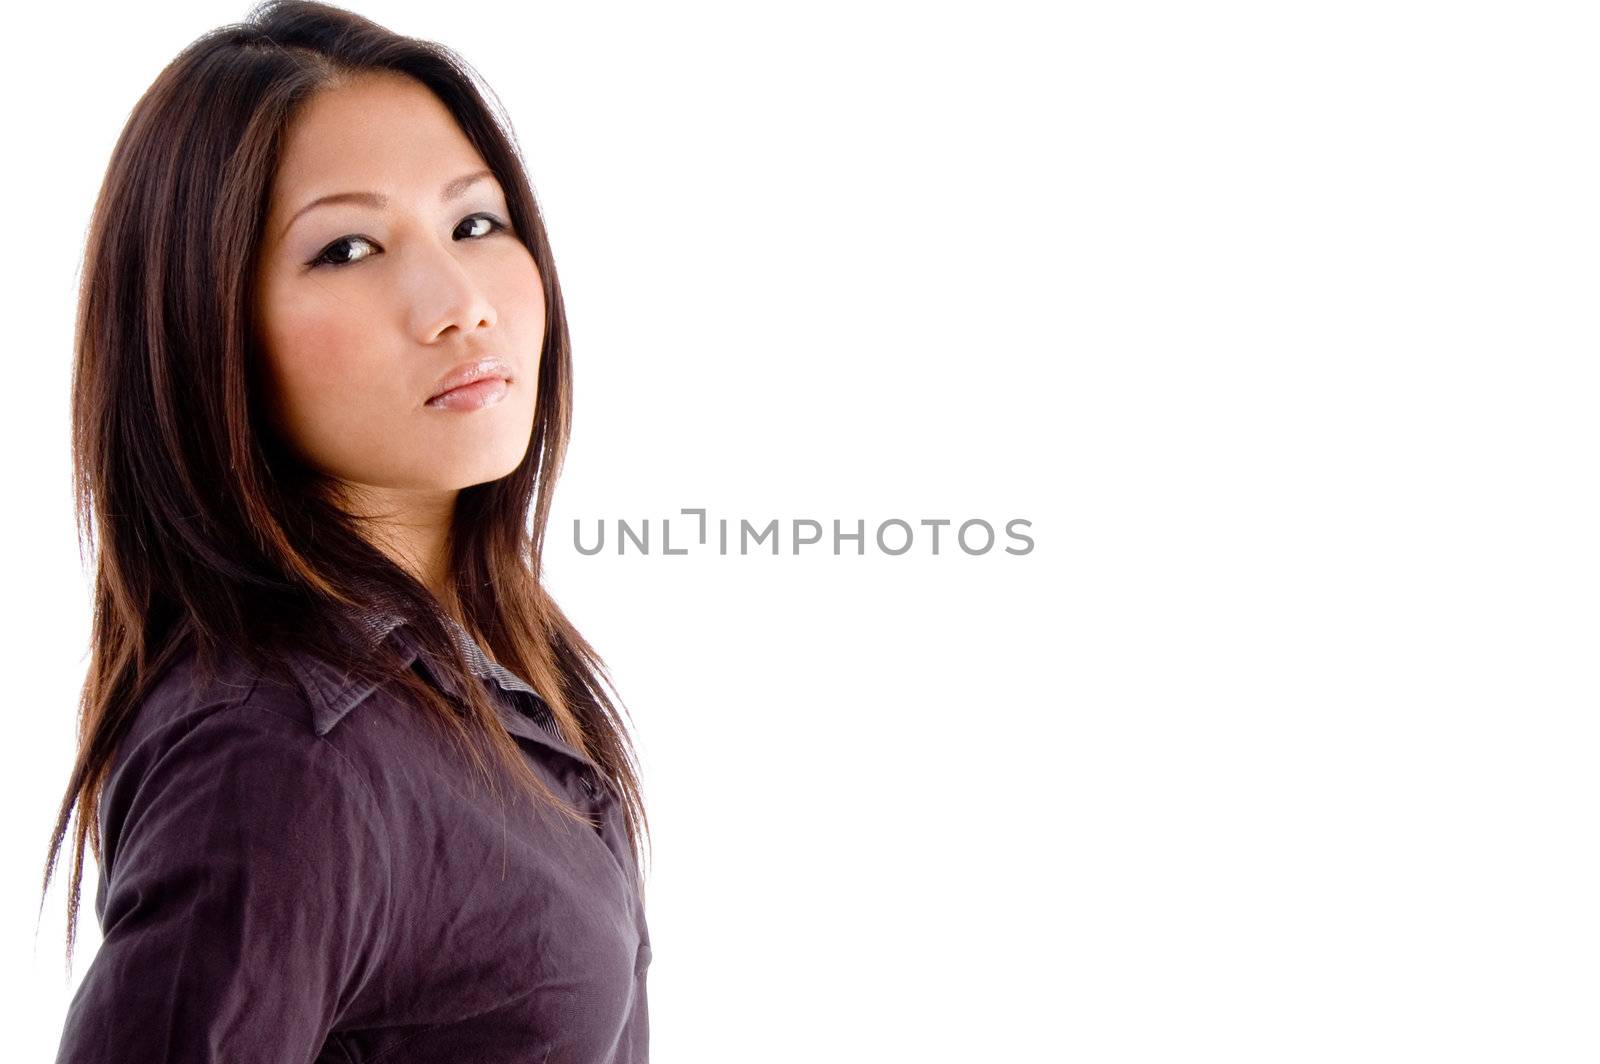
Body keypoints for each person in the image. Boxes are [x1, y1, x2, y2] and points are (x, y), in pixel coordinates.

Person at [40, 2, 652, 1060]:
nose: (458, 302)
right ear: (207, 327)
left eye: (474, 223)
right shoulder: (277, 751)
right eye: (349, 248)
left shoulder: (495, 672)